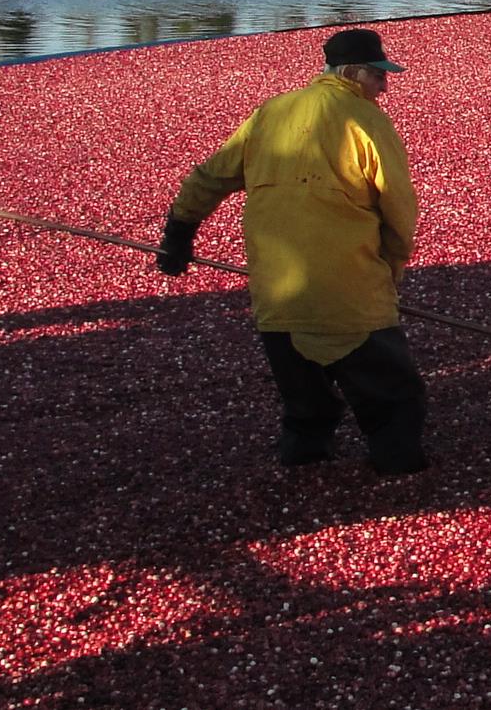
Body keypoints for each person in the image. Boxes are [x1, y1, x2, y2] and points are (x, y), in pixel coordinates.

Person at [159, 27, 428, 474]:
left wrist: (179, 232)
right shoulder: (364, 119)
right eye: (379, 76)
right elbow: (398, 205)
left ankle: (304, 461)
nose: (384, 86)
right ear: (353, 72)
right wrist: (392, 269)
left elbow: (210, 177)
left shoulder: (271, 113)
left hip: (277, 295)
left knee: (305, 403)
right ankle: (397, 467)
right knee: (392, 398)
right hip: (350, 291)